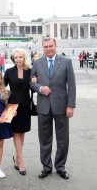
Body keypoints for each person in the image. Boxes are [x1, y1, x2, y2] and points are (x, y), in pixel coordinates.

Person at [30, 37, 76, 180]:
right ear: (42, 48)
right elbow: (31, 83)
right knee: (44, 139)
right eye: (45, 47)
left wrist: (70, 105)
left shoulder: (66, 62)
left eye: (51, 46)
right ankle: (46, 166)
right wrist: (39, 88)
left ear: (55, 46)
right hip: (43, 106)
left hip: (62, 107)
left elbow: (72, 86)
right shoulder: (37, 63)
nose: (48, 49)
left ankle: (60, 166)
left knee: (63, 139)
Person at [4, 48, 32, 176]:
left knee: (22, 133)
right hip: (13, 106)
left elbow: (34, 86)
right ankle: (21, 161)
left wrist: (36, 81)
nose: (18, 59)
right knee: (16, 132)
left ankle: (16, 156)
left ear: (24, 57)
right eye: (16, 57)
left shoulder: (30, 72)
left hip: (26, 104)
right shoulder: (9, 72)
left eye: (20, 57)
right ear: (13, 59)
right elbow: (1, 87)